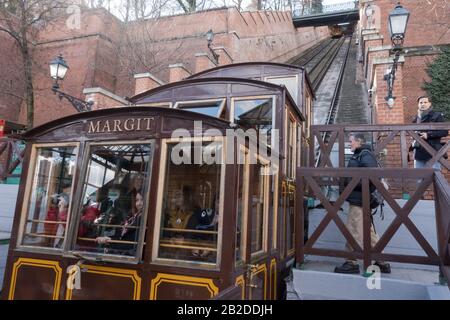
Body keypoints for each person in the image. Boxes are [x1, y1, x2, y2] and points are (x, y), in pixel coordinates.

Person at [334, 133, 391, 274]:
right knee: (368, 232)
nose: (349, 143)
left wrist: (351, 183)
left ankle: (351, 262)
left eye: (351, 141)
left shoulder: (365, 155)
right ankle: (381, 261)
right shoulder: (362, 154)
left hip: (359, 200)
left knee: (353, 229)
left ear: (359, 142)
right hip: (360, 199)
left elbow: (371, 176)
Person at [411, 95, 448, 170]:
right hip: (419, 151)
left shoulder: (437, 115)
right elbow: (412, 131)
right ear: (418, 105)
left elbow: (444, 132)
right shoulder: (416, 117)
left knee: (435, 176)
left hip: (433, 151)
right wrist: (413, 135)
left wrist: (428, 135)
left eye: (425, 102)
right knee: (419, 177)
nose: (423, 104)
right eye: (421, 103)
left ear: (430, 104)